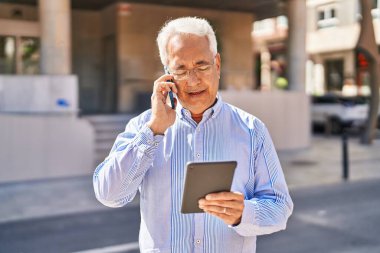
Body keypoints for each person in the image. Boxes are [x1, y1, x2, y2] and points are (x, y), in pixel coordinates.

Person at [93, 16, 293, 253]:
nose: (193, 80)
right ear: (167, 75)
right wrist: (154, 130)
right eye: (181, 69)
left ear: (217, 65)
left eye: (202, 66)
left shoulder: (252, 130)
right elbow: (109, 195)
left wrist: (244, 213)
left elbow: (280, 208)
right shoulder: (143, 127)